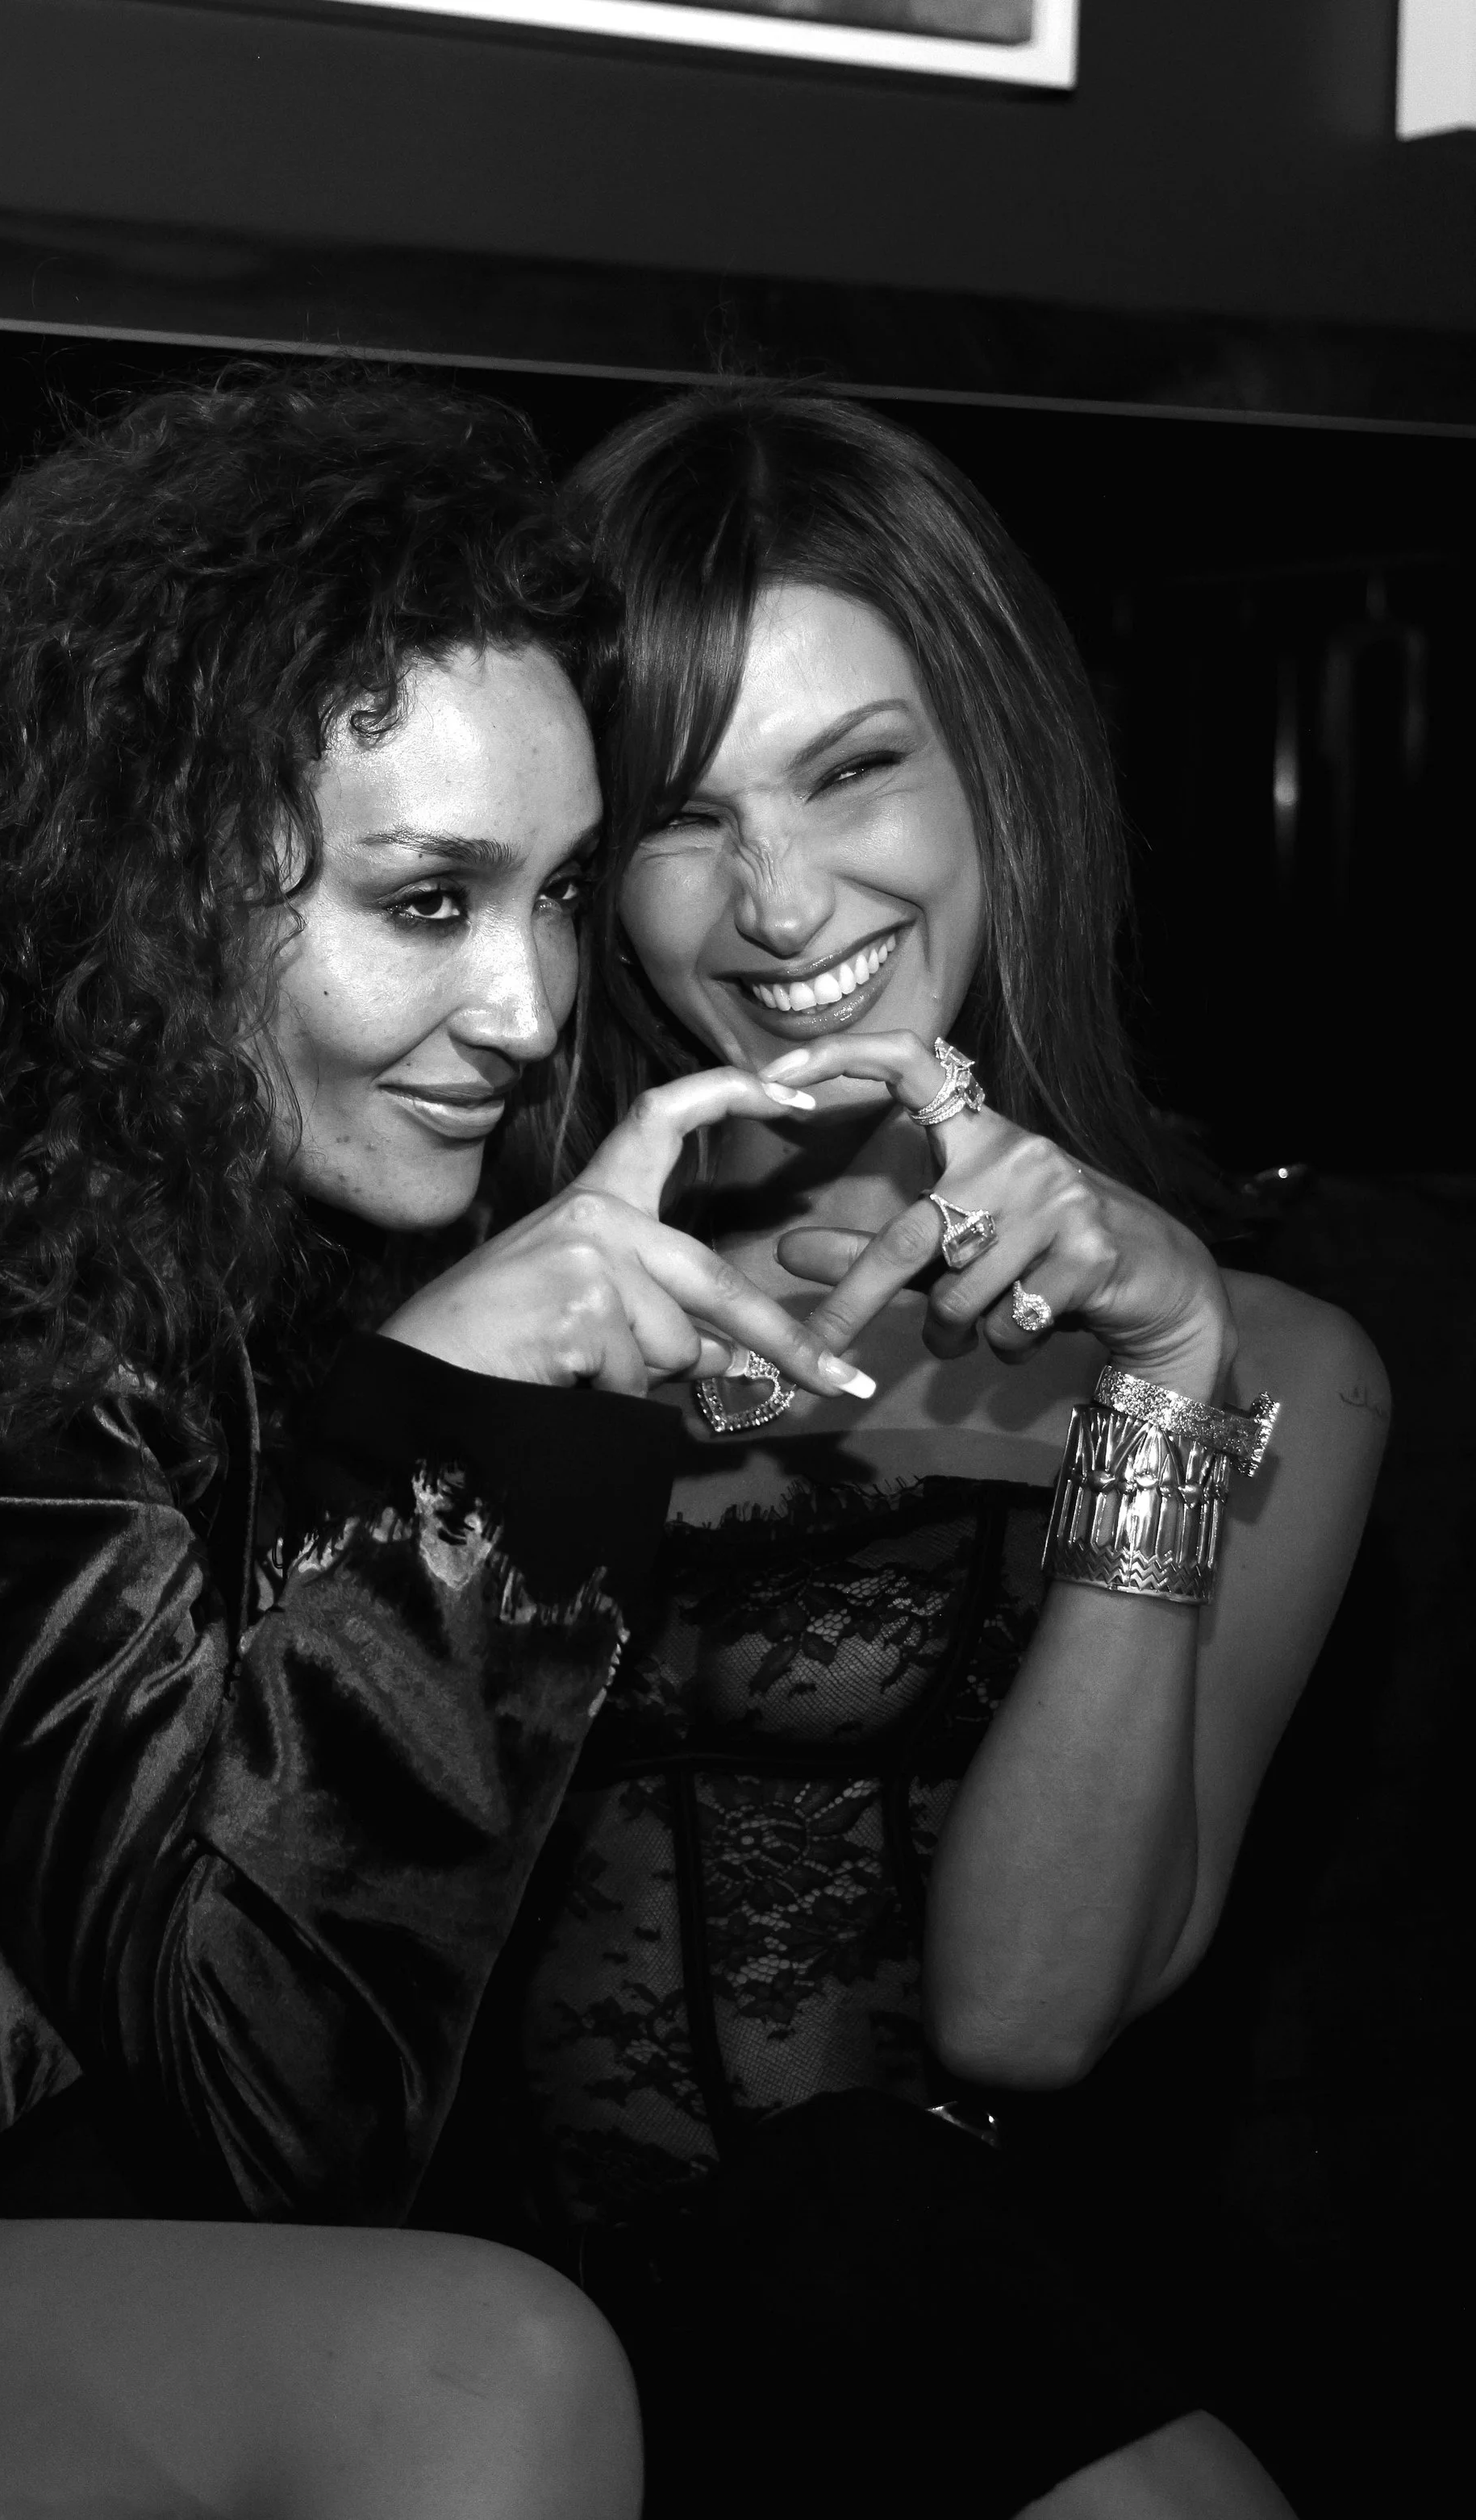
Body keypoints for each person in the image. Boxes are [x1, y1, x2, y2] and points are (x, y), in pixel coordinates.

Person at [0, 370, 864, 2520]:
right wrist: (469, 1428)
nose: (521, 1001)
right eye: (424, 899)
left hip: (99, 2218)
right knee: (482, 2376)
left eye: (562, 892)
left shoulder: (310, 1208)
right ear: (157, 885)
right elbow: (269, 2103)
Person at [482, 385, 1390, 2520]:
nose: (777, 901)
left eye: (852, 767)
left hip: (957, 2368)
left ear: (994, 766)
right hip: (461, 2379)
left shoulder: (1274, 1356)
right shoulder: (475, 1284)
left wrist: (1157, 1389)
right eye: (685, 814)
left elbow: (1023, 2013)